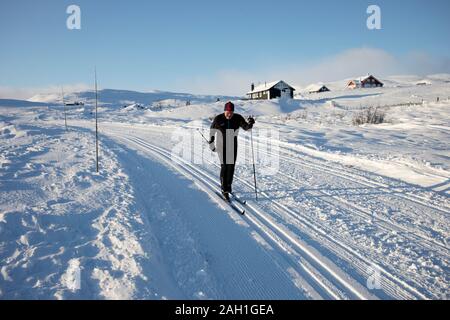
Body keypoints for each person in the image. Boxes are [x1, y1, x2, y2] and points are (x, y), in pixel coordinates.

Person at [209, 101, 255, 201]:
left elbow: (246, 128)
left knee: (231, 167)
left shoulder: (237, 118)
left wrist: (251, 123)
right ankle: (224, 189)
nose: (229, 114)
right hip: (221, 145)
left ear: (233, 112)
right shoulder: (218, 119)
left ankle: (228, 186)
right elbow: (212, 130)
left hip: (232, 145)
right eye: (227, 112)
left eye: (231, 112)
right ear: (224, 111)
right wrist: (211, 143)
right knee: (225, 166)